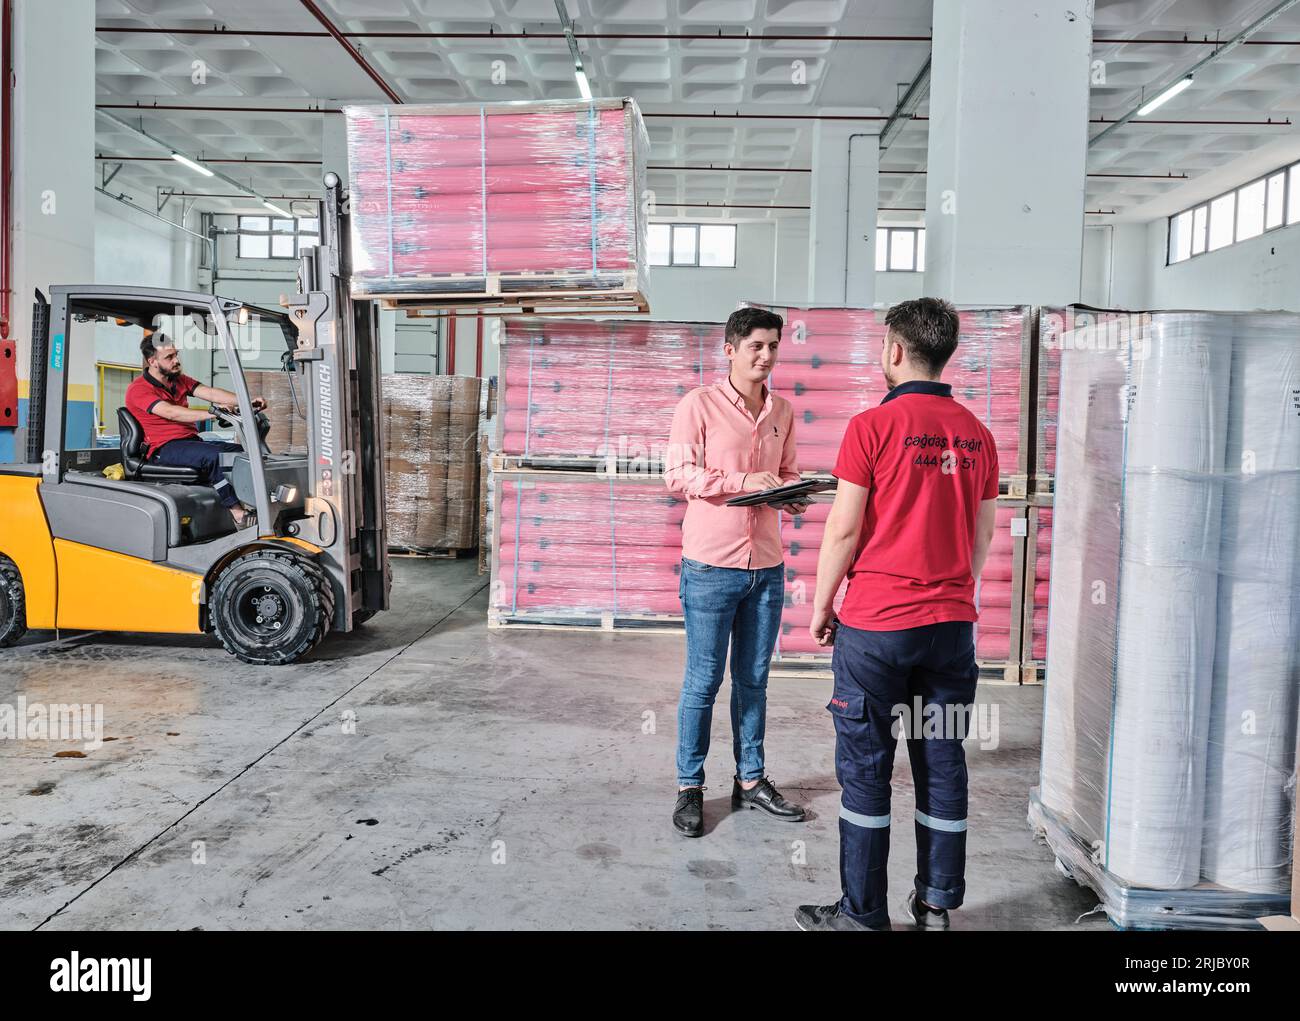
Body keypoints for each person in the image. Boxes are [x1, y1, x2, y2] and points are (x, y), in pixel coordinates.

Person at [794, 297, 998, 931]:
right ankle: (936, 906)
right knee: (942, 761)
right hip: (950, 630)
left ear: (895, 350)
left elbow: (843, 529)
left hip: (878, 627)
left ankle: (863, 914)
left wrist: (824, 603)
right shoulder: (978, 435)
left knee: (866, 772)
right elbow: (980, 540)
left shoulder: (870, 428)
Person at [664, 307, 811, 838]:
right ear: (729, 349)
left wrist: (791, 494)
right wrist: (749, 481)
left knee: (754, 680)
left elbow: (787, 472)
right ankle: (689, 786)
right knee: (704, 680)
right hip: (710, 564)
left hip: (766, 566)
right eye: (756, 346)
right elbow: (678, 474)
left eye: (773, 346)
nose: (767, 356)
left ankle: (750, 780)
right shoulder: (697, 405)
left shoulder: (783, 410)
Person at [123, 332, 266, 528]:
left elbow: (210, 392)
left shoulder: (178, 380)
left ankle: (258, 505)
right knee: (215, 456)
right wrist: (213, 414)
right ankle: (238, 514)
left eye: (176, 355)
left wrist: (245, 401)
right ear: (153, 362)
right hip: (163, 448)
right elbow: (172, 413)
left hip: (189, 441)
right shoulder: (138, 389)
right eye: (169, 357)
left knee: (241, 454)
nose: (176, 360)